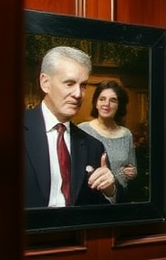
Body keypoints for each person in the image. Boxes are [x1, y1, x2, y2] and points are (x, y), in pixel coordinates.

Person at [24, 45, 117, 209]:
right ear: (45, 83)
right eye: (69, 83)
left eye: (83, 86)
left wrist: (110, 190)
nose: (78, 94)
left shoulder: (92, 146)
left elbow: (99, 208)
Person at [82, 79, 138, 195]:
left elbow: (133, 169)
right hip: (89, 199)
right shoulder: (82, 130)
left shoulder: (126, 134)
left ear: (119, 106)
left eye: (113, 100)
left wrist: (132, 173)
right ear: (96, 103)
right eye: (102, 99)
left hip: (119, 199)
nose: (106, 104)